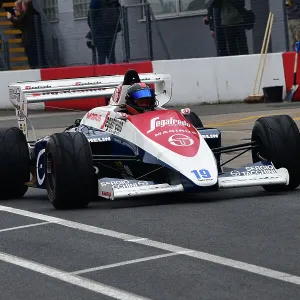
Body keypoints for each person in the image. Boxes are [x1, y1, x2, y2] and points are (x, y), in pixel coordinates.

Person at [7, 0, 47, 69]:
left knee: (33, 60)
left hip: (30, 41)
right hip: (38, 40)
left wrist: (11, 18)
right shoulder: (35, 13)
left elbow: (18, 23)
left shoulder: (26, 14)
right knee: (41, 59)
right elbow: (22, 25)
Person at [88, 0, 122, 65]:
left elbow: (90, 16)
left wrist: (93, 29)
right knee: (111, 53)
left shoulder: (95, 1)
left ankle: (102, 73)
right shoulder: (114, 1)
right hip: (112, 30)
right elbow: (120, 13)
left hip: (99, 31)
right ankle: (113, 72)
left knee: (101, 54)